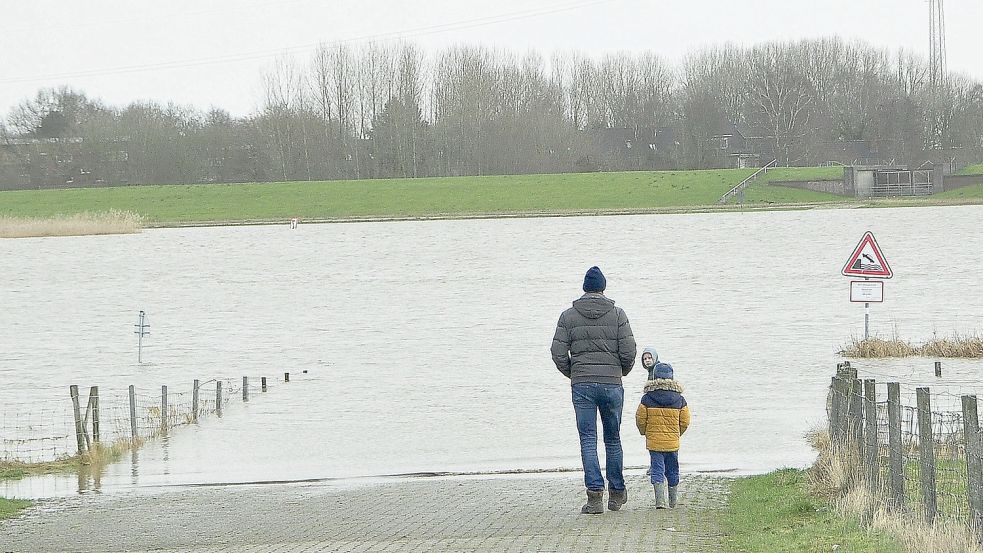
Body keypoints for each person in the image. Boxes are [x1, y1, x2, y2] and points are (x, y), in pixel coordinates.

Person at [551, 266, 637, 514]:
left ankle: (595, 497)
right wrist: (621, 371)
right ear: (603, 287)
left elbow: (557, 353)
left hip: (582, 385)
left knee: (588, 440)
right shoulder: (618, 314)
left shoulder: (568, 316)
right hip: (611, 383)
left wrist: (574, 372)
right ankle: (617, 493)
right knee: (613, 439)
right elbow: (629, 351)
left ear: (584, 288)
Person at [635, 361, 690, 509]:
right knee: (673, 469)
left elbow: (640, 419)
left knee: (657, 469)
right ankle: (673, 501)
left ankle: (660, 502)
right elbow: (685, 421)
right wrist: (677, 434)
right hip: (672, 442)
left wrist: (645, 432)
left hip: (654, 442)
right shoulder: (680, 399)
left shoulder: (647, 398)